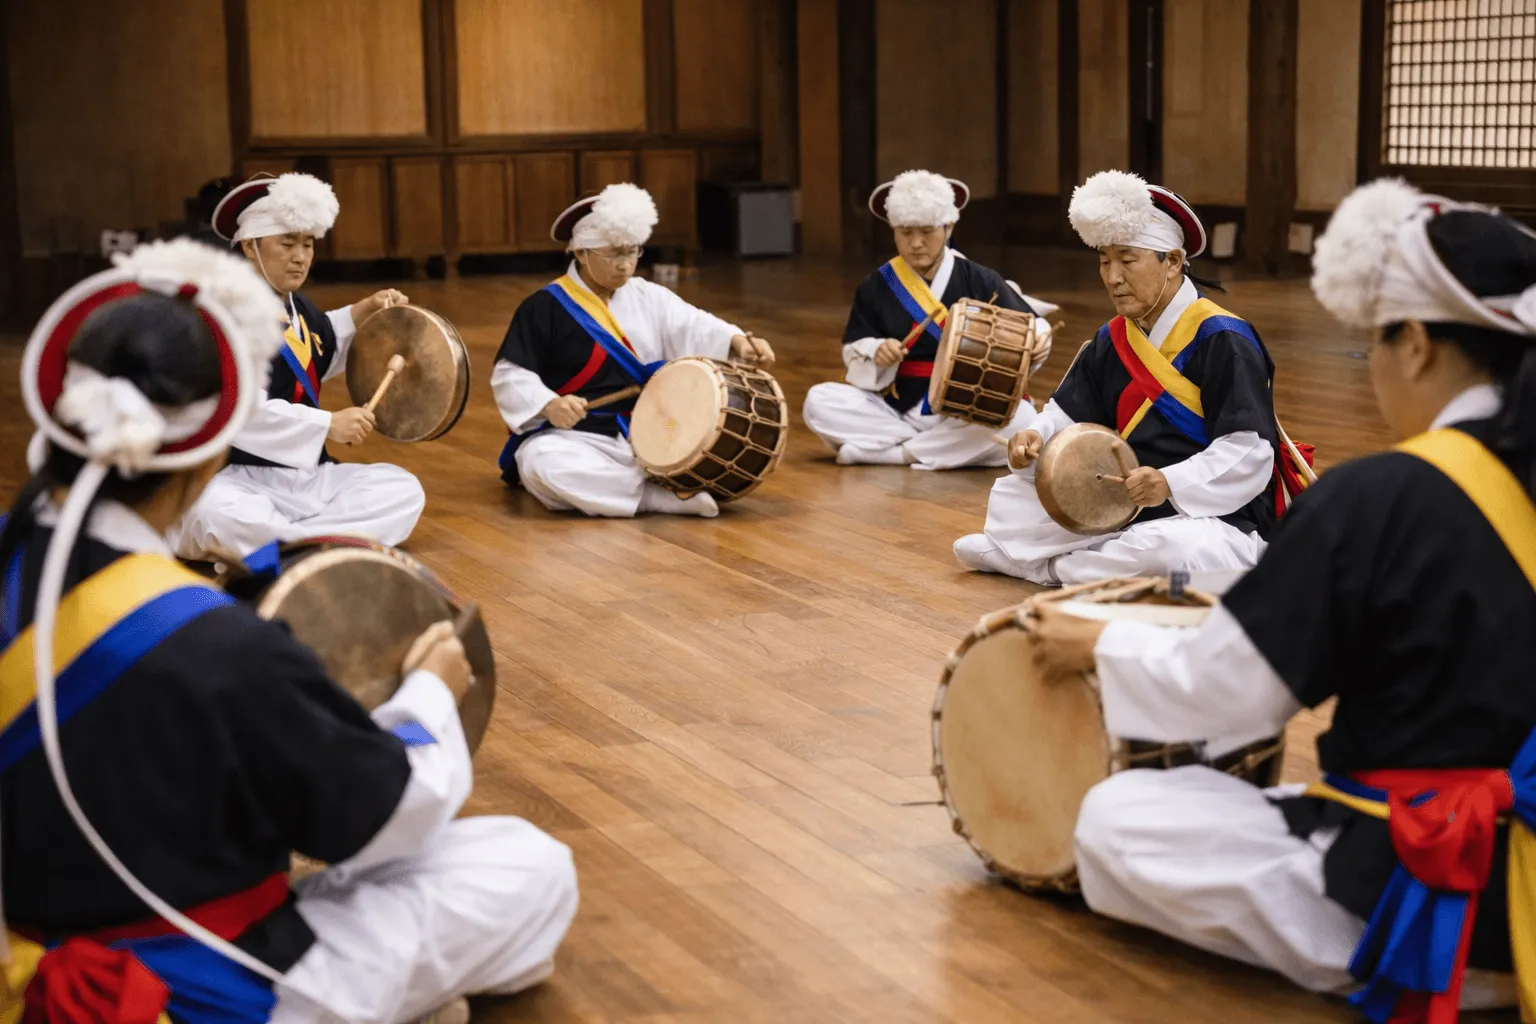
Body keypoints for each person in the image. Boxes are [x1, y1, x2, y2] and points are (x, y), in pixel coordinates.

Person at [1, 238, 578, 1024]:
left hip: (21, 950)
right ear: (206, 459)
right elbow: (387, 818)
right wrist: (429, 699)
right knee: (529, 866)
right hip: (203, 985)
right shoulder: (212, 642)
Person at [1029, 181, 1536, 1019]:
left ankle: (1435, 955)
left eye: (1373, 343)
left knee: (1121, 817)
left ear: (1413, 344)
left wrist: (1100, 646)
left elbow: (1233, 696)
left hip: (1419, 873)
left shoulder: (1376, 500)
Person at [954, 170, 1280, 584]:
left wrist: (1169, 482)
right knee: (1014, 497)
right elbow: (1067, 415)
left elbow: (1248, 452)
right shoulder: (1112, 338)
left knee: (1172, 551)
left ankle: (1051, 568)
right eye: (1104, 261)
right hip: (1124, 500)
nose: (1112, 277)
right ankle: (1084, 562)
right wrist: (1035, 438)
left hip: (1212, 512)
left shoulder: (1224, 339)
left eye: (1127, 260)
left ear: (1173, 262)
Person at [169, 172, 426, 560]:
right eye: (286, 243)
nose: (300, 256)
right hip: (232, 478)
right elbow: (241, 410)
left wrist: (365, 310)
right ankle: (317, 543)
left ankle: (291, 544)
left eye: (308, 244)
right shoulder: (220, 314)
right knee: (219, 514)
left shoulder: (299, 308)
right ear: (250, 248)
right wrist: (329, 424)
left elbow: (319, 349)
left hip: (303, 478)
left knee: (403, 490)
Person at [492, 182, 776, 518]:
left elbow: (694, 324)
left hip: (655, 430)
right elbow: (510, 374)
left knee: (708, 439)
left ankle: (632, 487)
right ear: (581, 252)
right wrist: (550, 404)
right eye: (614, 254)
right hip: (577, 438)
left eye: (632, 252)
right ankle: (655, 496)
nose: (625, 265)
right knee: (540, 463)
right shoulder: (543, 307)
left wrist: (737, 341)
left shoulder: (648, 295)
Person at [800, 170, 1053, 469]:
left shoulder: (978, 278)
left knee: (1021, 418)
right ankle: (937, 449)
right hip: (897, 406)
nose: (916, 243)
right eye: (905, 233)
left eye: (926, 231)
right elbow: (853, 348)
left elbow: (1033, 324)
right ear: (893, 230)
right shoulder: (877, 284)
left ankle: (893, 454)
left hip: (965, 408)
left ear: (948, 228)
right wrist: (876, 351)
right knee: (818, 402)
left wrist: (1037, 341)